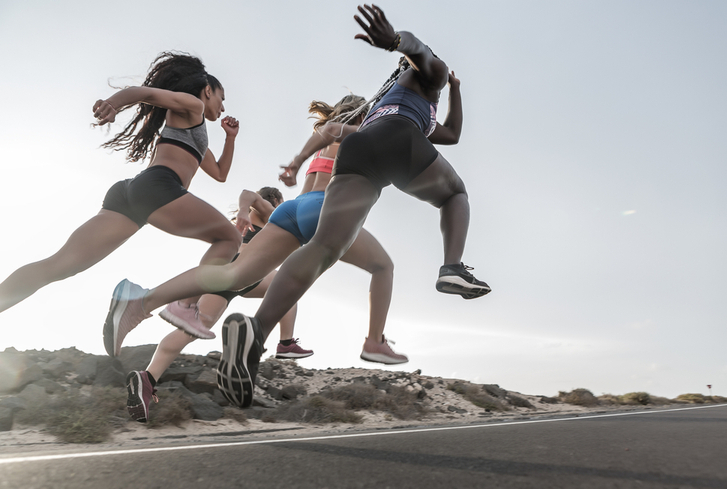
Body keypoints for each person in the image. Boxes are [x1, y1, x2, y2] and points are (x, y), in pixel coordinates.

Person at [215, 4, 491, 407]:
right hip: (400, 140)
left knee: (324, 248)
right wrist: (401, 44)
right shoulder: (430, 75)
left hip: (361, 148)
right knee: (455, 194)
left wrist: (456, 90)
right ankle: (452, 268)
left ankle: (254, 337)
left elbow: (448, 133)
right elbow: (421, 53)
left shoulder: (395, 100)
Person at [106, 93, 406, 407]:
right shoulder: (358, 135)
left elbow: (326, 131)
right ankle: (372, 340)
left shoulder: (326, 138)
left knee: (233, 275)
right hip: (326, 210)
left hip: (291, 210)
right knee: (381, 267)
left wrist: (295, 163)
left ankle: (142, 301)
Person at [0, 52, 242, 356]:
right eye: (222, 97)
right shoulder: (192, 105)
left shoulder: (195, 128)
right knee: (230, 238)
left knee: (59, 265)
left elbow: (219, 174)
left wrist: (230, 138)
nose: (223, 105)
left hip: (131, 194)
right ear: (207, 90)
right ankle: (184, 305)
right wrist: (114, 103)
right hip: (158, 187)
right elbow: (147, 93)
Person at [125, 187, 310, 423]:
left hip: (228, 272)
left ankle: (147, 379)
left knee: (194, 326)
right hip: (243, 267)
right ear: (275, 199)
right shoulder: (272, 211)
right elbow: (249, 193)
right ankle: (283, 343)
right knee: (289, 286)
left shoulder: (254, 219)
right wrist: (245, 208)